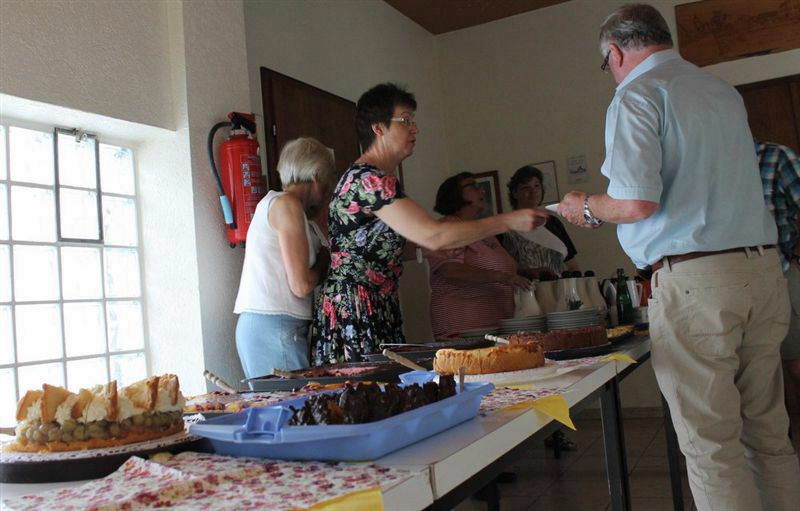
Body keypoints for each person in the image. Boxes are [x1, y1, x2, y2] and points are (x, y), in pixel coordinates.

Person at [557, 5, 800, 510]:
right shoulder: (720, 90)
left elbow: (636, 202)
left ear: (616, 52)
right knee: (769, 436)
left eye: (607, 64)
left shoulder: (636, 94)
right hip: (761, 269)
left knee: (712, 447)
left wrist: (584, 206)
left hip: (698, 282)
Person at [312, 83, 547, 364]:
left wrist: (421, 252)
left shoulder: (371, 178)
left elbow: (371, 246)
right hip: (357, 309)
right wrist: (508, 221)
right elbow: (433, 235)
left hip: (373, 304)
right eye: (406, 120)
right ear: (379, 128)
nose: (415, 129)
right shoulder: (368, 180)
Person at [233, 137, 334, 379]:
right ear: (317, 177)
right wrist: (324, 261)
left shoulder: (278, 205)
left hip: (268, 325)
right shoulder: (287, 205)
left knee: (279, 411)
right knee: (294, 410)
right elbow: (300, 285)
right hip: (276, 326)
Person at [427, 172, 531, 337]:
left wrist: (529, 273)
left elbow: (505, 268)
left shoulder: (482, 231)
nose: (482, 191)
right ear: (454, 193)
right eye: (473, 186)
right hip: (463, 326)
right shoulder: (449, 228)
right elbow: (450, 271)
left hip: (494, 324)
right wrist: (502, 277)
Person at [756, 138, 800, 427]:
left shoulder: (775, 156)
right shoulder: (705, 164)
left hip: (782, 271)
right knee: (758, 375)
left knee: (796, 361)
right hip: (734, 280)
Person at [503, 165, 578, 278]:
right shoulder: (505, 227)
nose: (533, 191)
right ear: (514, 193)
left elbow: (571, 264)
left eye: (536, 185)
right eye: (525, 187)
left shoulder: (553, 222)